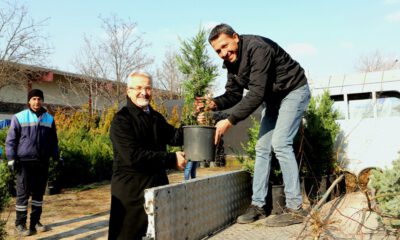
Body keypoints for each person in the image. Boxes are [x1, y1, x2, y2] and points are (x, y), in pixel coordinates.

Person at [196, 24, 311, 227]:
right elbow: (233, 94)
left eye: (225, 46)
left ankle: (296, 209)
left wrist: (229, 121)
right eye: (218, 51)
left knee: (281, 143)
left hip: (293, 91)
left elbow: (256, 94)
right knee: (262, 148)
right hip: (273, 99)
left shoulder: (258, 48)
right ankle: (258, 206)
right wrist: (212, 103)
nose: (223, 53)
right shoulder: (231, 63)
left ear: (235, 37)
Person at [108, 71, 187, 240]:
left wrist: (196, 120)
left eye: (148, 88)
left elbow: (175, 136)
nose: (143, 92)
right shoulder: (121, 120)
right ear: (128, 90)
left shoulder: (155, 117)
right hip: (131, 193)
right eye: (138, 87)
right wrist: (172, 159)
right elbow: (133, 157)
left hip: (157, 189)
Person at [5, 89, 60, 236]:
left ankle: (35, 221)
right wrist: (11, 158)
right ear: (29, 101)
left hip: (42, 162)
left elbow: (53, 141)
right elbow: (10, 141)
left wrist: (56, 156)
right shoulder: (19, 117)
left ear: (42, 101)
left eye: (39, 99)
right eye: (34, 99)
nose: (37, 102)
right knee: (23, 194)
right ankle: (20, 224)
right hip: (24, 163)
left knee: (38, 194)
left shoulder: (49, 119)